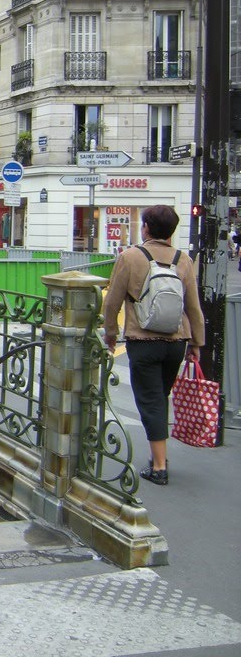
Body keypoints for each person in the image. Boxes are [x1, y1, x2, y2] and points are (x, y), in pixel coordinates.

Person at [102, 205, 204, 486]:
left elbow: (112, 301)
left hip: (143, 340)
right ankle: (159, 456)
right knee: (159, 397)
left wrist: (110, 334)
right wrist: (197, 342)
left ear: (146, 227)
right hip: (176, 341)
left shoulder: (130, 257)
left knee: (151, 402)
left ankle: (159, 466)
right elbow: (192, 305)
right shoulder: (183, 259)